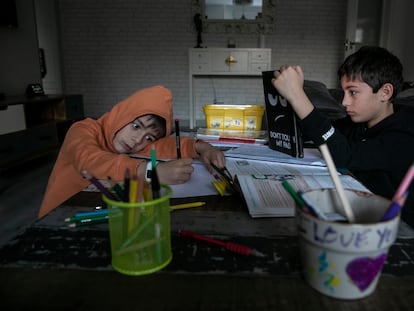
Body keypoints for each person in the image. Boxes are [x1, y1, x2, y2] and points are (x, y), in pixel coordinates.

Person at [271, 46, 414, 227]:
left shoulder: (406, 134)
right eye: (344, 92)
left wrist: (298, 96)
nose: (344, 102)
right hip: (358, 211)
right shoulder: (359, 122)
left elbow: (344, 156)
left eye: (353, 92)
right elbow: (324, 135)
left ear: (385, 92)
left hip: (399, 229)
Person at [39, 85, 225, 218]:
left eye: (149, 137)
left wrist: (202, 147)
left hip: (99, 213)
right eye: (136, 126)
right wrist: (152, 172)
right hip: (59, 217)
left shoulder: (131, 142)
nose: (138, 140)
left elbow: (162, 146)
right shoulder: (82, 129)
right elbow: (90, 160)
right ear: (122, 114)